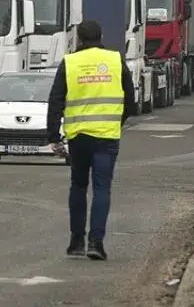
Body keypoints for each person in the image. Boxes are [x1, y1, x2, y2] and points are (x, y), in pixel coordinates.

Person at [45, 20, 136, 261]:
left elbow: (55, 100)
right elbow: (131, 100)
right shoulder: (116, 60)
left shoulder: (70, 62)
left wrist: (54, 136)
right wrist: (117, 122)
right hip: (106, 136)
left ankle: (76, 241)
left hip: (78, 137)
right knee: (102, 188)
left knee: (78, 186)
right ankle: (96, 242)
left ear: (78, 38)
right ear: (101, 35)